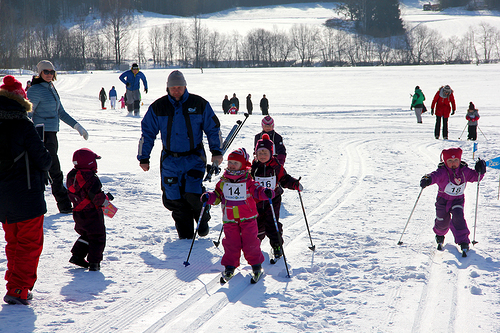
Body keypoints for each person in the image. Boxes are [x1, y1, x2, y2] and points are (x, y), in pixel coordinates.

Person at [137, 70, 223, 239]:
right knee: (173, 199)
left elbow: (213, 129)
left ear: (185, 86)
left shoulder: (199, 104)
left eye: (179, 87)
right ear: (167, 88)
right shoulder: (158, 107)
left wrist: (216, 152)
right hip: (170, 160)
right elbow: (147, 134)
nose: (176, 90)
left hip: (194, 158)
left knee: (192, 194)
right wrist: (144, 157)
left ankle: (202, 218)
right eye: (173, 87)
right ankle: (185, 237)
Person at [0, 75, 52, 305]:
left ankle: (14, 284)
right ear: (21, 100)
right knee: (29, 244)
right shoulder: (24, 125)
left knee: (13, 243)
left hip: (3, 200)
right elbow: (44, 161)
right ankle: (19, 288)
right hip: (27, 196)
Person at [27, 60, 89, 214]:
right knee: (54, 169)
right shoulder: (35, 90)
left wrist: (77, 126)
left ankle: (58, 203)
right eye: (45, 72)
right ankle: (64, 204)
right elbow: (28, 114)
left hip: (52, 133)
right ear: (39, 73)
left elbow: (61, 112)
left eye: (51, 72)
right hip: (42, 134)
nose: (49, 74)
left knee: (50, 169)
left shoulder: (51, 88)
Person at [201, 148, 272, 281]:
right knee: (231, 243)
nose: (232, 165)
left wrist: (265, 192)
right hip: (230, 219)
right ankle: (230, 266)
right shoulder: (223, 181)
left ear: (243, 165)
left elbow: (257, 190)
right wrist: (208, 197)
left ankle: (256, 266)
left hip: (248, 218)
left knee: (250, 243)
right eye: (230, 162)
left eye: (236, 163)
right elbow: (217, 196)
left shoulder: (247, 180)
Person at [420, 147, 486, 252]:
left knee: (458, 218)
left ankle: (463, 241)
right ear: (445, 162)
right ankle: (440, 235)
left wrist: (480, 172)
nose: (453, 163)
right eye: (450, 161)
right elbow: (434, 176)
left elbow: (475, 177)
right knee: (442, 222)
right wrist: (428, 179)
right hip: (443, 201)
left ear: (460, 160)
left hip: (457, 200)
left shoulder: (464, 171)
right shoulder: (442, 172)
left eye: (456, 160)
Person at [251, 134, 302, 261]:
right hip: (256, 202)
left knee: (272, 224)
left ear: (271, 153)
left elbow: (285, 179)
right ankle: (255, 244)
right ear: (256, 154)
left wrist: (295, 184)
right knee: (255, 224)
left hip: (272, 201)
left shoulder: (276, 166)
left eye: (265, 153)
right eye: (260, 153)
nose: (262, 155)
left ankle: (277, 246)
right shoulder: (253, 167)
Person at [67, 148, 109, 271]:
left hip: (77, 212)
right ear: (90, 163)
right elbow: (96, 198)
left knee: (86, 233)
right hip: (92, 213)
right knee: (97, 236)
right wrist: (105, 200)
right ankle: (94, 263)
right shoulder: (91, 178)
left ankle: (77, 256)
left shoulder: (71, 175)